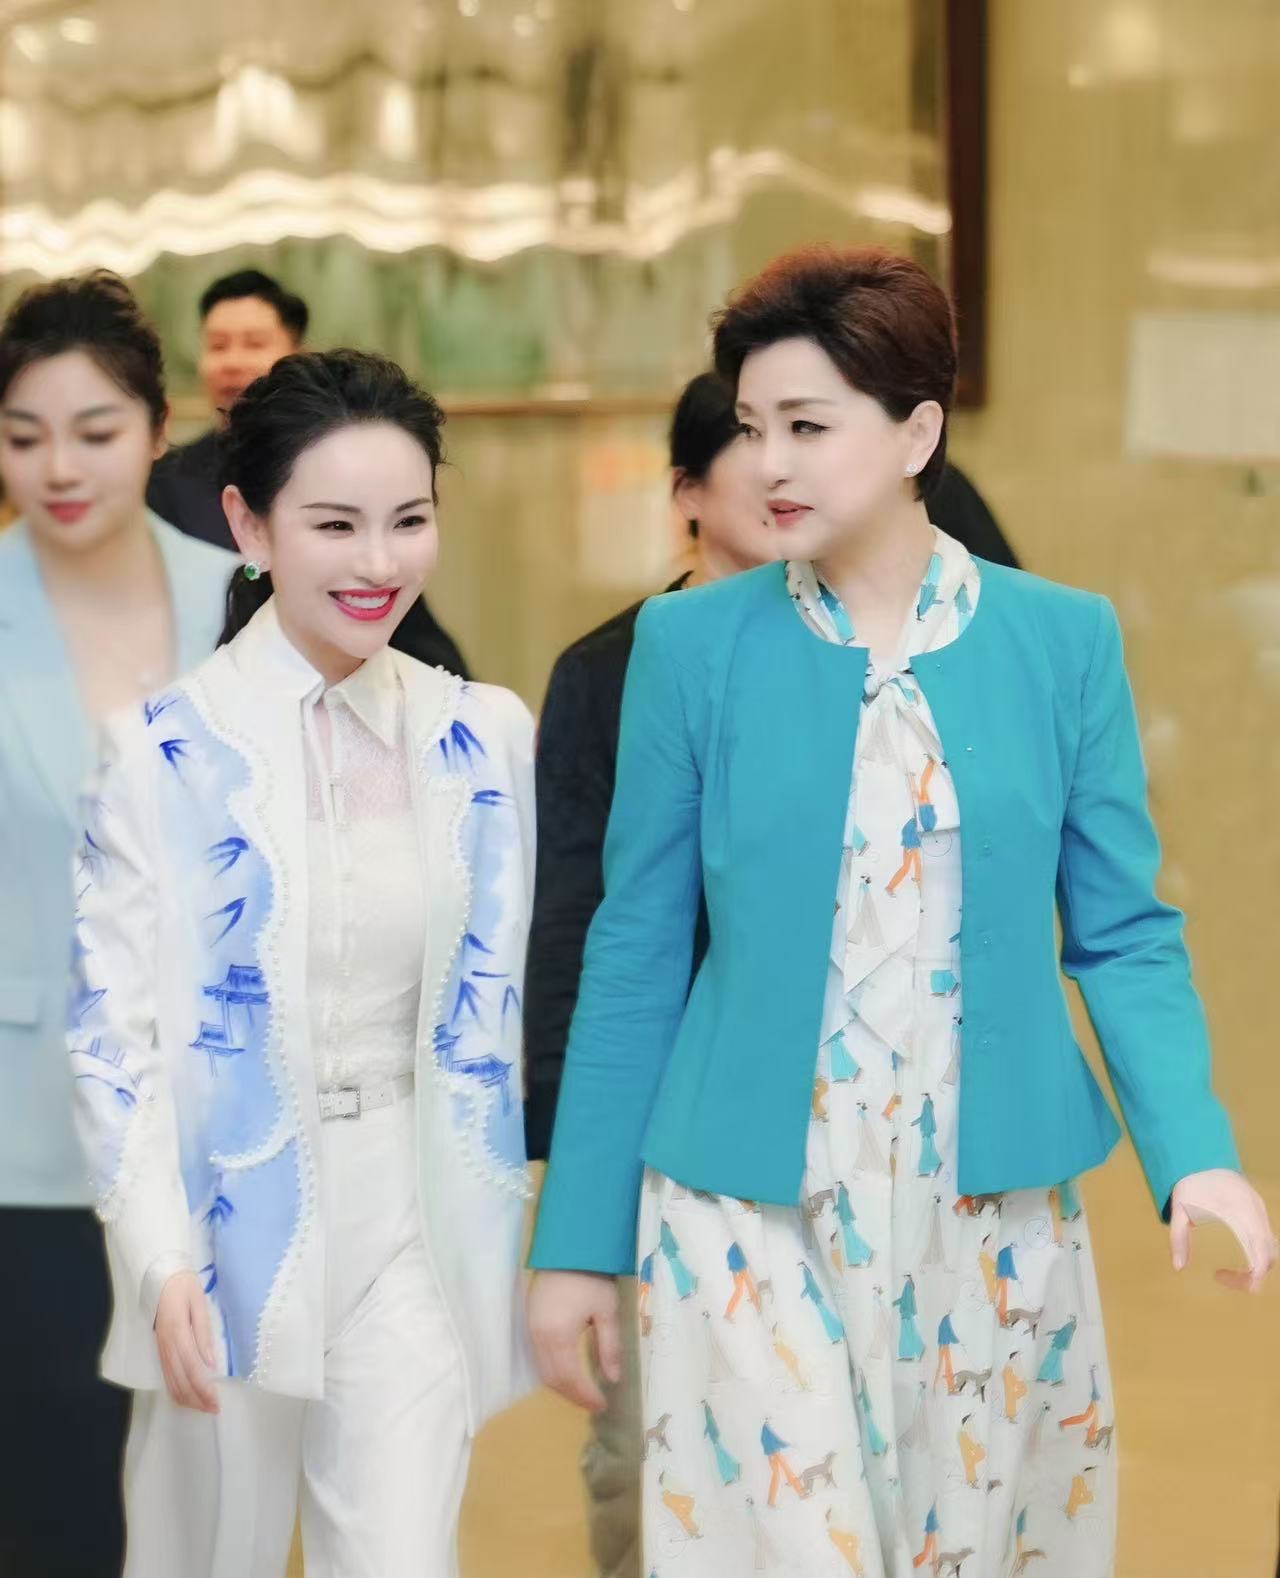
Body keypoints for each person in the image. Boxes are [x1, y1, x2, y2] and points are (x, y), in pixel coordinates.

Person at [526, 246, 1276, 1576]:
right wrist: (577, 1240)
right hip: (743, 1208)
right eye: (753, 427)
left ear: (917, 433)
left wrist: (1194, 1150)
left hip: (986, 1210)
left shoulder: (1062, 640)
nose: (768, 464)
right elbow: (632, 950)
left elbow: (1122, 933)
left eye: (807, 427)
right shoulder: (688, 647)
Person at [69, 348, 535, 1577]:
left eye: (408, 520)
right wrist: (158, 1255)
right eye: (334, 525)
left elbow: (500, 1003)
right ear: (249, 524)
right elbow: (113, 1038)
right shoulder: (159, 752)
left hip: (412, 1222)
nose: (378, 562)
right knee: (206, 1554)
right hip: (224, 1232)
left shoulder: (482, 736)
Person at [0, 271, 234, 1577]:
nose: (58, 468)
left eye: (93, 431)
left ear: (158, 426)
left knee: (220, 1495)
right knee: (59, 1495)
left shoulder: (246, 595)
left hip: (228, 1124)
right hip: (24, 1130)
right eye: (23, 435)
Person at [524, 369, 775, 1578]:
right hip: (653, 1110)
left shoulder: (864, 653)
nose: (783, 473)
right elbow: (575, 917)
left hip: (801, 1114)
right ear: (684, 492)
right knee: (644, 1447)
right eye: (751, 448)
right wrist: (567, 1158)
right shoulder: (607, 671)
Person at [146, 268, 474, 680]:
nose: (233, 362)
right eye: (218, 346)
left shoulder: (362, 472)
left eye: (254, 343)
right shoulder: (165, 481)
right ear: (246, 522)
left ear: (297, 353)